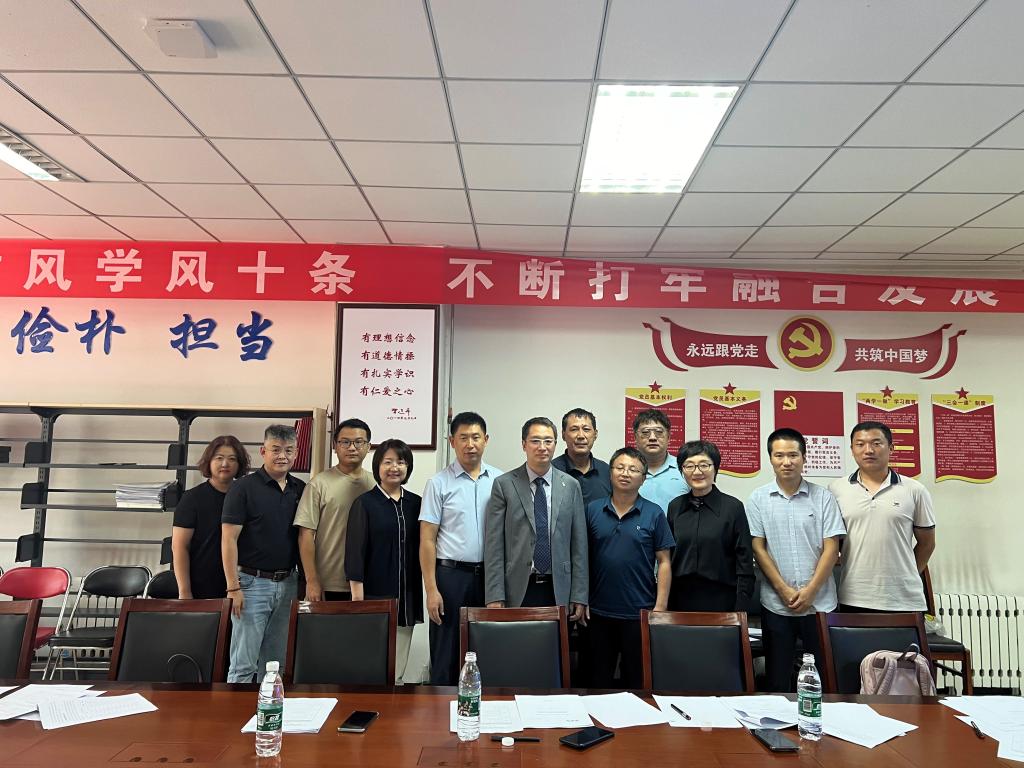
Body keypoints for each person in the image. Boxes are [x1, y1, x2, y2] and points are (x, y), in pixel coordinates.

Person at [745, 428, 846, 692]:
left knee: (823, 678)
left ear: (804, 457)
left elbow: (831, 547)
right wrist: (782, 589)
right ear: (770, 458)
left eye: (793, 455)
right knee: (777, 679)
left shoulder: (823, 497)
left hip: (820, 603)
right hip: (776, 604)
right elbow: (758, 547)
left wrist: (811, 591)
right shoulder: (758, 498)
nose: (786, 462)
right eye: (779, 455)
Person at [419, 412, 501, 686]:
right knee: (446, 648)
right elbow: (427, 540)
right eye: (463, 438)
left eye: (476, 437)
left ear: (486, 440)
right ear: (452, 441)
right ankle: (439, 707)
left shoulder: (500, 481)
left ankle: (483, 704)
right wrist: (431, 590)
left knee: (487, 645)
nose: (470, 444)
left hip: (489, 576)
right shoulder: (438, 483)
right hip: (450, 577)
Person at [585, 446, 673, 689]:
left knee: (637, 681)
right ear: (610, 473)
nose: (625, 473)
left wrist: (660, 607)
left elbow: (664, 561)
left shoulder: (654, 513)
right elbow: (581, 558)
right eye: (620, 467)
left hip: (639, 612)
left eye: (633, 469)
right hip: (598, 612)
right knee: (597, 680)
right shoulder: (592, 510)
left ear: (643, 479)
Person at [221, 424, 305, 682]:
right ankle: (236, 709)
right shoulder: (243, 488)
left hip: (288, 584)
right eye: (275, 449)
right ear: (263, 451)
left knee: (275, 666)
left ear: (296, 453)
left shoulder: (300, 489)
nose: (282, 456)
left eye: (288, 450)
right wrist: (233, 587)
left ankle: (268, 708)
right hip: (251, 584)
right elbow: (228, 539)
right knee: (243, 665)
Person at [483, 417, 588, 618]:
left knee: (558, 639)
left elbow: (579, 545)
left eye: (548, 441)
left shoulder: (570, 485)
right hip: (517, 587)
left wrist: (580, 595)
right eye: (535, 441)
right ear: (524, 444)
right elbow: (494, 546)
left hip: (559, 588)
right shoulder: (504, 485)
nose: (542, 447)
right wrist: (495, 594)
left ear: (555, 444)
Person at [829, 421, 936, 613]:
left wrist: (906, 575)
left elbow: (927, 543)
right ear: (852, 450)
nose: (868, 450)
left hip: (904, 599)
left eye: (876, 443)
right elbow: (832, 544)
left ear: (891, 448)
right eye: (860, 444)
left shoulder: (915, 490)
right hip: (854, 596)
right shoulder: (836, 489)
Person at [346, 439, 423, 683]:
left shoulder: (416, 504)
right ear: (378, 466)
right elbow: (355, 553)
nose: (394, 468)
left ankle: (396, 696)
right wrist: (357, 599)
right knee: (373, 664)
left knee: (398, 664)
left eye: (401, 462)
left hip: (407, 594)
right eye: (388, 462)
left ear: (408, 467)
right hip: (374, 594)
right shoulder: (365, 503)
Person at [667, 440, 754, 611]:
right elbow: (667, 557)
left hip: (722, 600)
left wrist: (740, 608)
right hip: (679, 600)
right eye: (689, 466)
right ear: (682, 470)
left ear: (715, 468)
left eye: (704, 465)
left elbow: (744, 563)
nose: (697, 472)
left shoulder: (733, 508)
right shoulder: (675, 507)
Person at [294, 418, 374, 602]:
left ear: (368, 447)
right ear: (335, 446)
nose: (352, 448)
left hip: (368, 581)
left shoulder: (376, 484)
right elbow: (305, 535)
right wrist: (312, 580)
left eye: (359, 442)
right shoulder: (318, 484)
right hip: (329, 582)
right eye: (345, 442)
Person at [171, 435, 249, 599]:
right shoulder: (192, 498)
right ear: (209, 461)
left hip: (242, 586)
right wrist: (185, 592)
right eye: (219, 458)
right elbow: (179, 547)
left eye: (232, 459)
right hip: (201, 585)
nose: (225, 464)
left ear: (239, 464)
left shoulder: (246, 497)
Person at [552, 408, 611, 510]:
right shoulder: (551, 471)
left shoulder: (607, 471)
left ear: (595, 434)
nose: (581, 436)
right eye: (574, 429)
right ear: (563, 435)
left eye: (586, 429)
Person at [633, 409, 688, 514]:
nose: (652, 438)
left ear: (669, 437)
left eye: (659, 432)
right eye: (645, 433)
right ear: (635, 437)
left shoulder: (685, 468)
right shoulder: (624, 471)